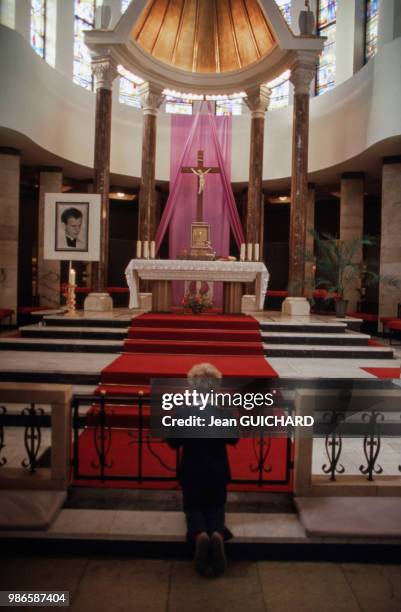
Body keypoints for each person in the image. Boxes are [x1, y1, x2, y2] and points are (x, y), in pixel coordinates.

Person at [167, 363, 238, 577]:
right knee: (216, 504)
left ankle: (199, 535)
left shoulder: (184, 411)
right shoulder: (222, 411)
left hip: (192, 469)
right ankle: (216, 531)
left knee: (193, 506)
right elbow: (234, 438)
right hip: (217, 469)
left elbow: (172, 442)